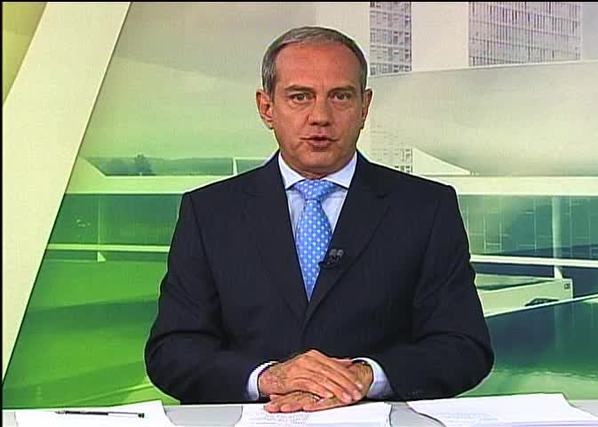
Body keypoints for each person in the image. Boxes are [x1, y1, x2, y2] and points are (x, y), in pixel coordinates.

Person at [144, 26, 493, 413]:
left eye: (340, 96)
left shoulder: (426, 208)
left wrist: (365, 376)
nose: (320, 117)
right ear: (266, 107)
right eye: (300, 97)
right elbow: (172, 351)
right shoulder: (210, 212)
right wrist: (268, 378)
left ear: (364, 107)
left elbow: (463, 346)